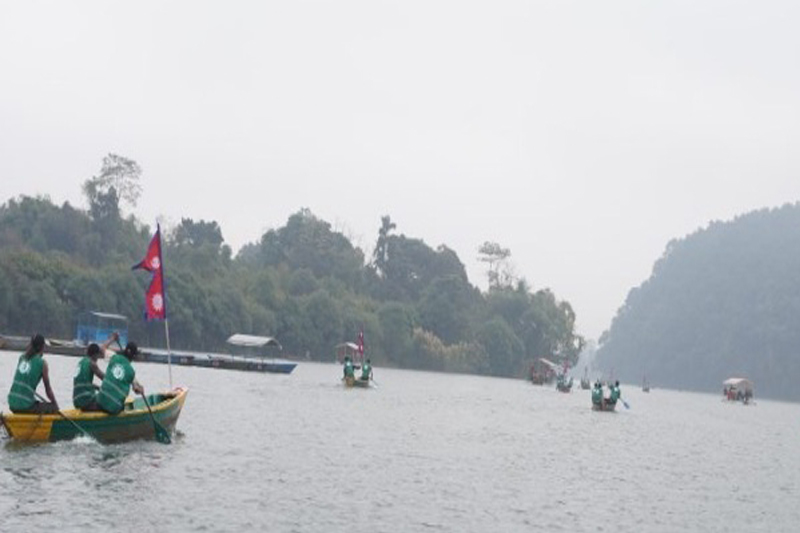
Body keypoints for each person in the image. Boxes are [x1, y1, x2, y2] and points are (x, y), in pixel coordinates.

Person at [7, 334, 59, 414]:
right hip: (25, 406)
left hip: (11, 403)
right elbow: (48, 390)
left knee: (33, 402)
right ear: (41, 347)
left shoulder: (21, 358)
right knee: (52, 407)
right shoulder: (42, 364)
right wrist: (55, 405)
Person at [95, 341, 144, 415]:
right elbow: (136, 389)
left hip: (100, 402)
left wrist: (113, 338)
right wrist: (140, 390)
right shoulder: (131, 372)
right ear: (133, 356)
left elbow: (102, 348)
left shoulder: (113, 357)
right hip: (114, 408)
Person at [73, 332, 119, 410]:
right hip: (86, 401)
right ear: (95, 355)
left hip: (76, 400)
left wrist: (99, 388)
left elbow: (84, 383)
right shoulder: (92, 363)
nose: (98, 358)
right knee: (111, 404)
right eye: (98, 356)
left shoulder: (81, 362)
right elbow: (105, 379)